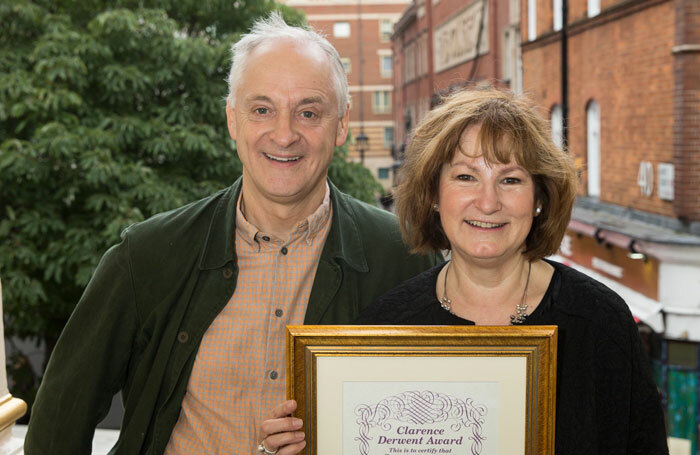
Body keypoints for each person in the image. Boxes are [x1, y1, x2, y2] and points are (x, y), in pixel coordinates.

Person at [24, 13, 440, 454]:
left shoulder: (404, 258)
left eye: (309, 112)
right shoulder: (146, 257)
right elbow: (56, 429)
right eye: (262, 109)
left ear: (341, 125)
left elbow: (434, 420)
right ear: (232, 121)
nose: (284, 134)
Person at [355, 88, 669, 454]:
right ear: (434, 195)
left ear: (539, 199)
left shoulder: (601, 321)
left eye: (511, 180)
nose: (488, 203)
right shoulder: (386, 328)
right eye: (465, 177)